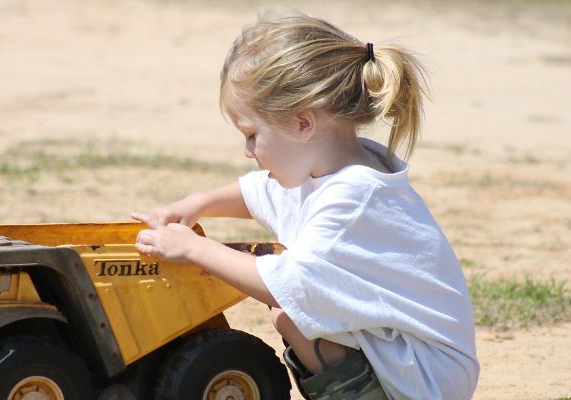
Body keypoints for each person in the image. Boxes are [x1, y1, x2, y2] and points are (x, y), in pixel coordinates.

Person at [131, 6, 480, 400]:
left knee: (290, 312)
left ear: (302, 123)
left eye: (250, 134)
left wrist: (194, 248)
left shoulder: (352, 198)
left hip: (424, 376)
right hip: (412, 357)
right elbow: (260, 193)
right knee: (294, 315)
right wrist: (197, 204)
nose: (247, 151)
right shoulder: (333, 163)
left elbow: (284, 286)